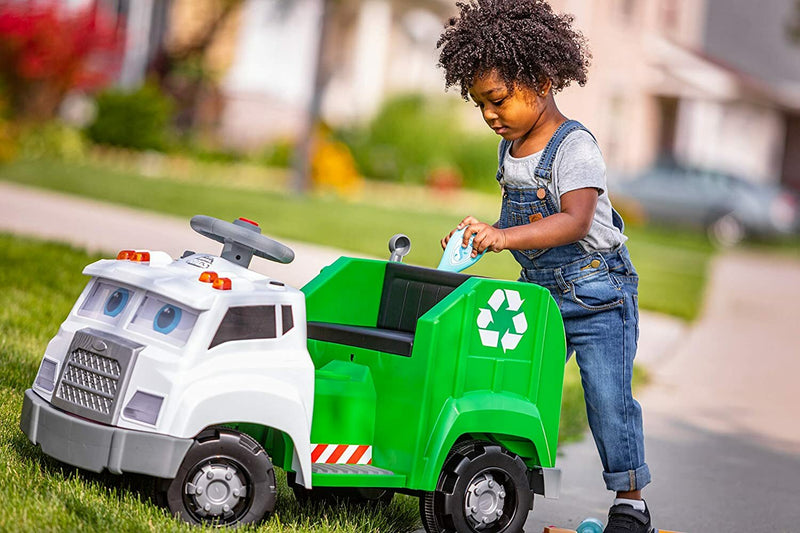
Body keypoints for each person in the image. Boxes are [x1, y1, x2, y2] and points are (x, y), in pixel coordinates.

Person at [437, 1, 652, 532]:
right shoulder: (510, 149)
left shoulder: (574, 146)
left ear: (543, 80)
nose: (490, 115)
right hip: (539, 294)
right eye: (480, 105)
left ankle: (631, 503)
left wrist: (504, 236)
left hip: (598, 295)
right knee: (509, 383)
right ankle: (494, 478)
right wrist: (480, 237)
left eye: (498, 100)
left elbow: (574, 222)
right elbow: (525, 222)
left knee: (607, 399)